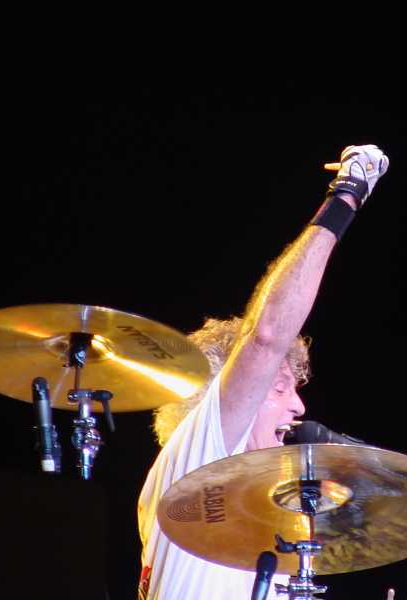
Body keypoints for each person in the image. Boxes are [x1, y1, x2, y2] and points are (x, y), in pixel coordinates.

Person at [137, 144, 390, 600]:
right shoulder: (201, 457)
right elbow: (267, 336)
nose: (299, 405)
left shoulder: (264, 525)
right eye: (279, 388)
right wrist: (348, 193)